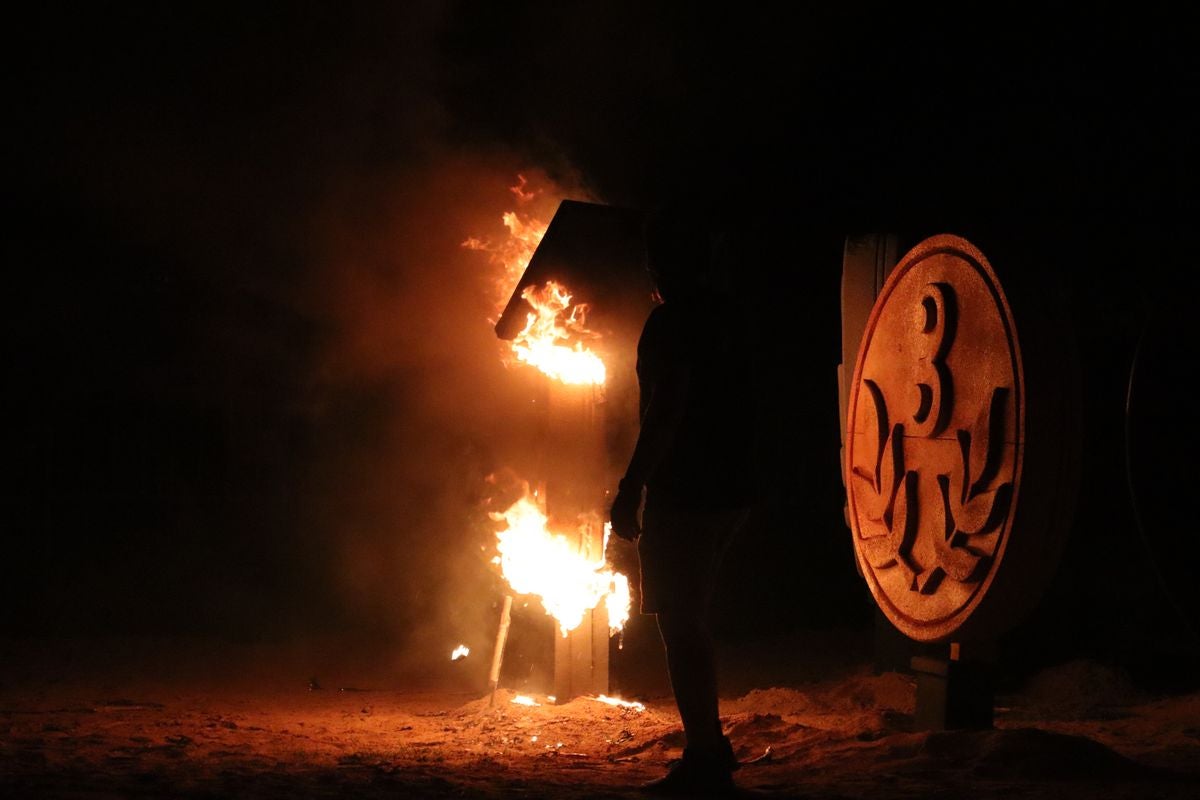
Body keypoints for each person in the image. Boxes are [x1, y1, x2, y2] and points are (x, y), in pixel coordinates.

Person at [609, 201, 758, 796]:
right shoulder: (726, 313)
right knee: (691, 615)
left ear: (663, 262)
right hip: (734, 486)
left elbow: (664, 415)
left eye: (654, 257)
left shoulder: (673, 325)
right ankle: (709, 746)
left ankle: (704, 758)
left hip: (689, 490)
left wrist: (630, 487)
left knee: (680, 621)